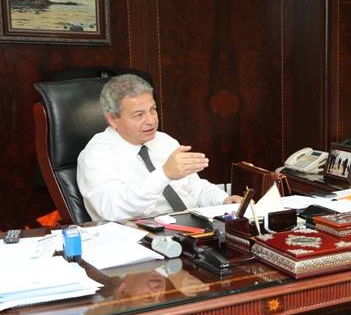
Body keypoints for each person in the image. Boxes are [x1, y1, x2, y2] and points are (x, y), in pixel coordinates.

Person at [77, 74, 241, 221]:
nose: (151, 120)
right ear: (113, 119)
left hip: (194, 228)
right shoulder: (96, 155)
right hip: (141, 236)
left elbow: (195, 188)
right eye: (139, 115)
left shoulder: (165, 141)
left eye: (153, 110)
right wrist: (164, 175)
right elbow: (113, 210)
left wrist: (223, 200)